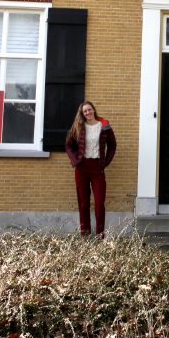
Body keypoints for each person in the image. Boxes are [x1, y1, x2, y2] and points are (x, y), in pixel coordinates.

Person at [65, 100, 116, 237]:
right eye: (85, 111)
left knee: (99, 203)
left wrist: (105, 162)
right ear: (82, 114)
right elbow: (68, 145)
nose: (88, 112)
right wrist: (75, 160)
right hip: (81, 168)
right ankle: (85, 233)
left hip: (97, 168)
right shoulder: (79, 126)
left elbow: (112, 145)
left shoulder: (104, 126)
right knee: (83, 203)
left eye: (89, 109)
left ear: (94, 109)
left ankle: (100, 235)